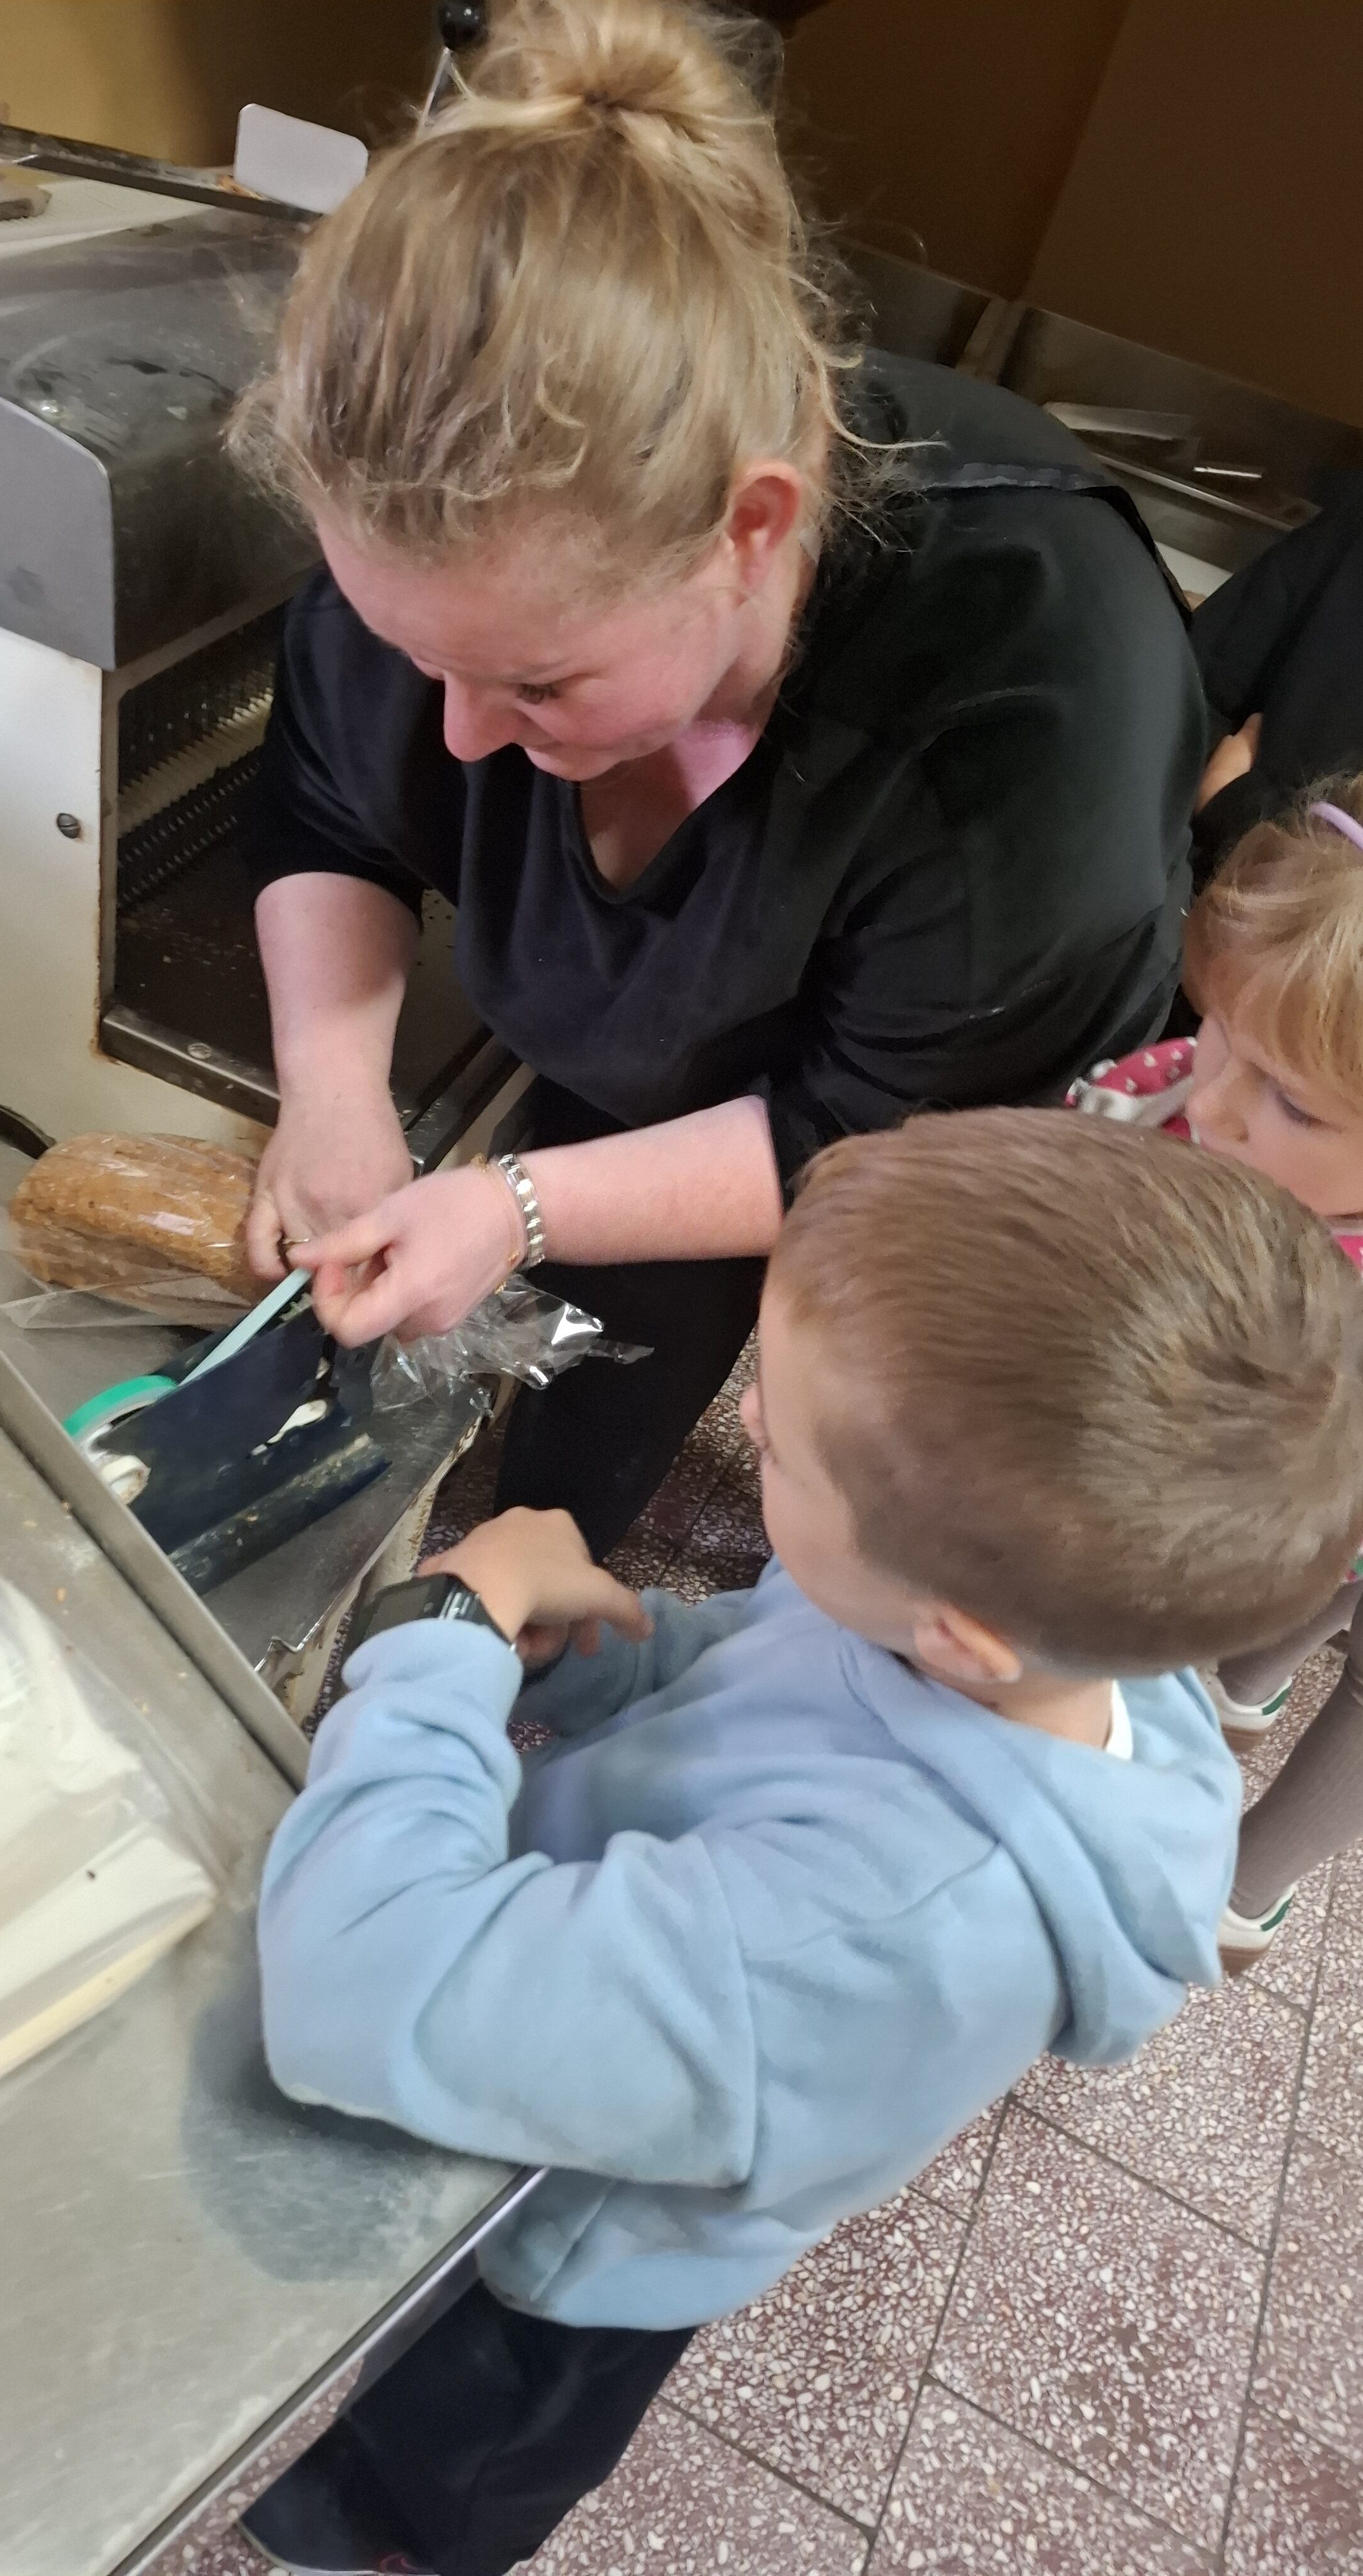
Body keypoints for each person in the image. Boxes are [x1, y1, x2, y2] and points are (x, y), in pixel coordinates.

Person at [240, 1108, 1363, 2576]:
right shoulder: (1040, 1640)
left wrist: (440, 1634)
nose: (751, 1419)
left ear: (955, 1634)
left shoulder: (881, 1930)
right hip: (584, 2027)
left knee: (412, 2489)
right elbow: (777, 1661)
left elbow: (356, 1986)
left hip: (551, 2263)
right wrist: (612, 1654)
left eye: (781, 1440)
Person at [229, 0, 1204, 1561]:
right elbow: (329, 805)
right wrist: (333, 1092)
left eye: (540, 682)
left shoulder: (1022, 723)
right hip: (723, 1036)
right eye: (421, 659)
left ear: (751, 531)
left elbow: (868, 1141)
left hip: (930, 1104)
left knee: (873, 1470)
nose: (463, 738)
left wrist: (518, 1202)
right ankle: (535, 1556)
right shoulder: (436, 552)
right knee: (592, 1366)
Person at [1070, 778, 1363, 1969]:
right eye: (1221, 1029)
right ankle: (1246, 1681)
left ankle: (1238, 1891)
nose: (1218, 1102)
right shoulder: (1199, 1097)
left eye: (1290, 1100)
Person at [1189, 474, 1363, 882]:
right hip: (1192, 880)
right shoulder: (1351, 533)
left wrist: (1235, 809)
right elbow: (1192, 691)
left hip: (1268, 892)